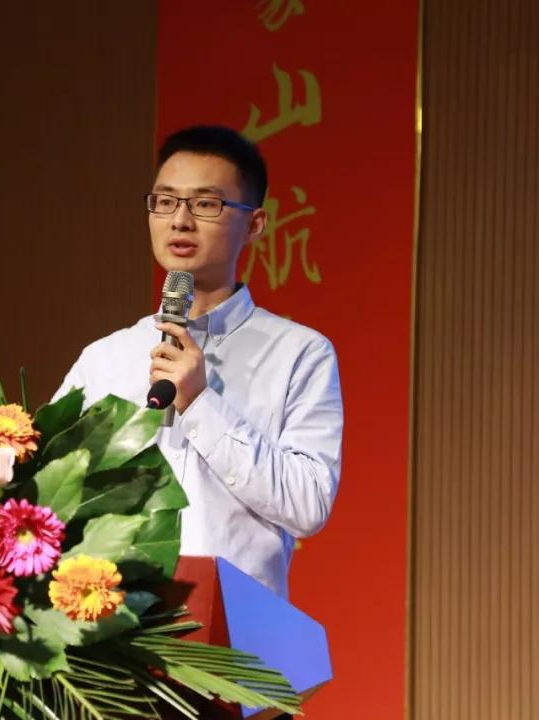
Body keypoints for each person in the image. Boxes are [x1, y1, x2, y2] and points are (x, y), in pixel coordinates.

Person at [54, 125, 342, 598]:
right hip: (112, 622)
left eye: (206, 204)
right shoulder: (104, 358)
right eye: (165, 201)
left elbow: (307, 504)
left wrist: (201, 403)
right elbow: (50, 491)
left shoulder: (300, 353)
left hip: (233, 626)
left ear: (254, 224)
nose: (180, 220)